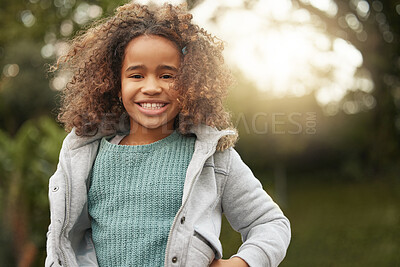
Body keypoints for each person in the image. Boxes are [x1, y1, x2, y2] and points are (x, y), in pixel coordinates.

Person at [46, 2, 291, 267]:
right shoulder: (85, 157)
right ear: (117, 85)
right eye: (137, 75)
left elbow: (270, 223)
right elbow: (60, 241)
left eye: (167, 75)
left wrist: (242, 263)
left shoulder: (213, 157)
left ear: (190, 84)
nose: (151, 87)